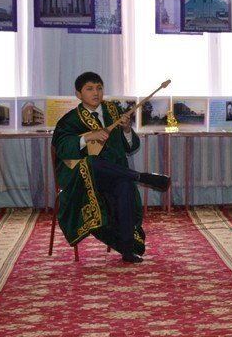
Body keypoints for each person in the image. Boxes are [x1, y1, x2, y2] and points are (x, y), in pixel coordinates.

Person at [52, 71, 171, 263]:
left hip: (114, 175)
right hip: (83, 180)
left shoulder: (112, 111)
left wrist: (126, 130)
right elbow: (62, 147)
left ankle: (127, 250)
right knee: (91, 162)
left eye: (99, 88)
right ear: (78, 94)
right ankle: (141, 176)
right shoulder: (70, 120)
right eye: (89, 89)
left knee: (125, 186)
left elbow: (130, 147)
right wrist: (88, 137)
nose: (96, 92)